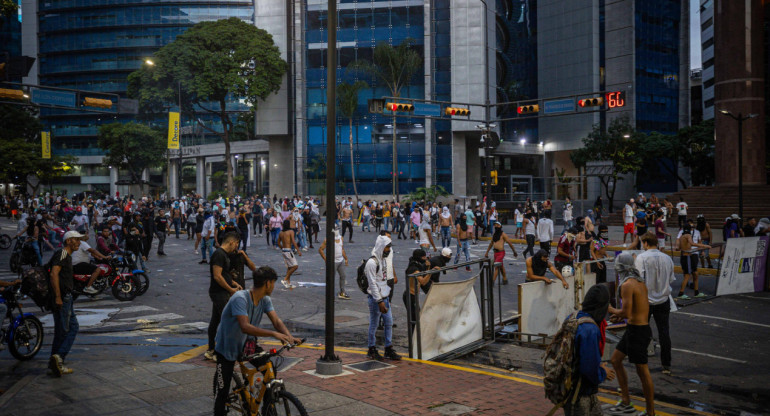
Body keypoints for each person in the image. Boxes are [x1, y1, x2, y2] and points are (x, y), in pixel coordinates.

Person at [212, 266, 302, 416]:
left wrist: (288, 336)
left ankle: (267, 408)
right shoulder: (240, 298)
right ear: (267, 283)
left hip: (248, 345)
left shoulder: (265, 299)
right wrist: (274, 334)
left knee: (269, 368)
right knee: (222, 393)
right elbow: (245, 327)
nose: (273, 286)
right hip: (227, 347)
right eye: (273, 283)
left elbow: (276, 320)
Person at [607, 252, 655, 416]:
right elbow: (633, 310)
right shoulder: (639, 282)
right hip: (635, 329)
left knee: (642, 371)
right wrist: (618, 314)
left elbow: (626, 313)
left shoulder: (627, 285)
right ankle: (626, 401)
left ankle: (650, 412)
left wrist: (610, 309)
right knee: (615, 360)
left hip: (638, 331)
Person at [562, 285, 615, 416]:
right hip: (580, 393)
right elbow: (588, 369)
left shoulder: (573, 317)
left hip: (570, 387)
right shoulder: (590, 329)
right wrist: (603, 372)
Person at [634, 232, 674, 376]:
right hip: (663, 299)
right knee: (664, 332)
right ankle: (666, 364)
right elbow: (671, 279)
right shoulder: (667, 258)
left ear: (645, 243)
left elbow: (638, 280)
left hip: (646, 300)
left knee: (641, 330)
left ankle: (641, 361)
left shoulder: (642, 258)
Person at [48, 230, 85, 377]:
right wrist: (58, 297)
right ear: (69, 241)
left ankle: (55, 361)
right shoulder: (62, 254)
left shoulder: (67, 255)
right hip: (63, 297)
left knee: (71, 327)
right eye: (76, 240)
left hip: (67, 297)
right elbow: (53, 274)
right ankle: (59, 358)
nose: (79, 242)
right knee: (64, 330)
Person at [204, 232, 244, 362]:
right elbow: (217, 276)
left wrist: (233, 283)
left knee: (215, 320)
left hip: (222, 291)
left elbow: (224, 274)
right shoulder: (219, 254)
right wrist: (230, 289)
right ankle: (218, 351)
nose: (236, 247)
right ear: (231, 242)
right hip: (219, 293)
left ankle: (211, 349)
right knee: (226, 322)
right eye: (236, 243)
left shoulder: (225, 255)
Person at [365, 235, 401, 361]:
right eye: (387, 247)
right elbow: (372, 284)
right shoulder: (372, 262)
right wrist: (379, 301)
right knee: (374, 324)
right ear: (381, 247)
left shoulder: (384, 260)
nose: (389, 249)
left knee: (389, 322)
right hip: (376, 299)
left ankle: (388, 348)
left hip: (385, 297)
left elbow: (383, 280)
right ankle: (371, 348)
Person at [676, 224, 710, 299]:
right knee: (687, 275)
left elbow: (680, 247)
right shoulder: (688, 235)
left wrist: (699, 249)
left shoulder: (682, 236)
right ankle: (681, 293)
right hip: (687, 257)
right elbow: (692, 243)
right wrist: (704, 246)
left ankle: (696, 292)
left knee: (695, 273)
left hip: (686, 256)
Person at [403, 249, 432, 334]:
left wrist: (428, 267)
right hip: (410, 296)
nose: (425, 258)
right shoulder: (413, 268)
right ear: (419, 257)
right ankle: (413, 339)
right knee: (414, 319)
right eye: (423, 257)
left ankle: (415, 337)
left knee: (416, 317)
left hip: (414, 296)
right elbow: (423, 281)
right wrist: (430, 272)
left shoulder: (417, 265)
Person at [318, 225, 350, 299]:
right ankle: (330, 294)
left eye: (337, 229)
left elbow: (342, 249)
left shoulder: (341, 238)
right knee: (331, 278)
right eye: (335, 229)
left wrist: (346, 258)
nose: (337, 231)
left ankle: (342, 292)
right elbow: (320, 250)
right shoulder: (328, 239)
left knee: (343, 276)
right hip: (332, 262)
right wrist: (326, 259)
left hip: (340, 260)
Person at [278, 219, 301, 288]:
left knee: (290, 267)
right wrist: (298, 250)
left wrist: (282, 248)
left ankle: (288, 282)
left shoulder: (281, 233)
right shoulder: (291, 231)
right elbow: (293, 242)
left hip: (284, 250)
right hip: (288, 250)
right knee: (295, 266)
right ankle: (285, 279)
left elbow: (278, 242)